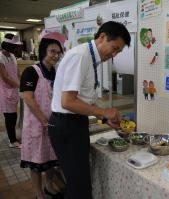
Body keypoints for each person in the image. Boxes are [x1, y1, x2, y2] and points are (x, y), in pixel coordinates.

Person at [48, 21, 131, 199]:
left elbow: (81, 100)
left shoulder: (91, 58)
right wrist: (103, 112)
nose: (114, 54)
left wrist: (103, 117)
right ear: (102, 37)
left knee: (78, 183)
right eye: (114, 48)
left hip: (73, 123)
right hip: (66, 126)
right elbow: (68, 102)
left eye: (119, 52)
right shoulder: (81, 56)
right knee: (80, 187)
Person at [20, 30, 66, 199]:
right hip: (36, 125)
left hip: (51, 123)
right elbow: (28, 98)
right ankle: (39, 194)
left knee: (51, 160)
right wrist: (43, 120)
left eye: (58, 52)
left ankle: (49, 186)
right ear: (43, 51)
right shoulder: (31, 71)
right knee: (36, 163)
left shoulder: (54, 72)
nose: (56, 55)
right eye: (52, 51)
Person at [0, 33, 22, 148]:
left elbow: (16, 70)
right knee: (10, 117)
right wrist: (19, 85)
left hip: (13, 90)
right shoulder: (0, 58)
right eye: (15, 46)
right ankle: (12, 141)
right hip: (5, 92)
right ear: (8, 45)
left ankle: (13, 138)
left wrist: (21, 80)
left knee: (13, 115)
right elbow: (5, 77)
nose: (16, 48)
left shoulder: (12, 56)